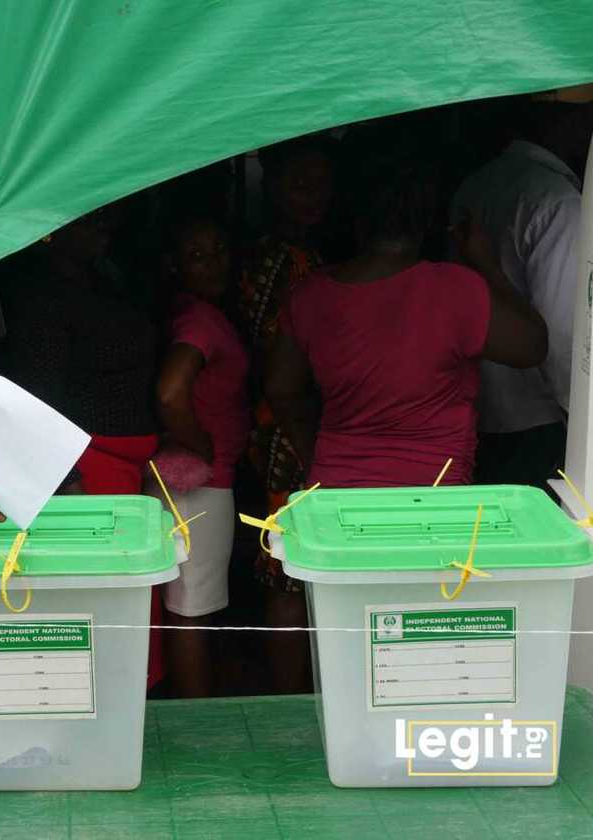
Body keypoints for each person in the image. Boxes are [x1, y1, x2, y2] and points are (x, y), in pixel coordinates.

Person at [267, 133, 549, 494]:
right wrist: (487, 265)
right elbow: (534, 345)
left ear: (352, 214)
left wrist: (320, 462)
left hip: (337, 491)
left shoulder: (310, 295)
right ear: (429, 218)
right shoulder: (455, 289)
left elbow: (281, 389)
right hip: (432, 497)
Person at [0, 208, 166, 687]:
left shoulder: (104, 278)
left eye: (106, 217)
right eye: (88, 219)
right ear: (55, 229)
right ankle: (115, 698)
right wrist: (70, 482)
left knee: (136, 589)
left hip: (128, 468)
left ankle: (135, 698)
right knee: (110, 595)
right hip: (87, 470)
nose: (102, 225)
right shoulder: (42, 297)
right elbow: (37, 396)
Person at [452, 93, 593, 489]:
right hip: (538, 419)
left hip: (477, 406)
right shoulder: (557, 202)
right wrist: (584, 424)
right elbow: (563, 333)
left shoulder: (476, 184)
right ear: (567, 122)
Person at [234, 136, 332, 693]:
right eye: (299, 185)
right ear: (272, 187)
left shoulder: (295, 253)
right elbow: (273, 355)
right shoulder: (283, 259)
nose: (312, 197)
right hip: (285, 427)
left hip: (284, 420)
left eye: (321, 185)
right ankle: (292, 697)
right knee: (286, 568)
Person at [154, 217, 249, 698]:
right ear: (174, 265)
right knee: (192, 609)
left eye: (218, 251)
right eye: (196, 256)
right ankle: (196, 723)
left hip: (194, 482)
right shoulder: (200, 321)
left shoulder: (195, 313)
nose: (212, 264)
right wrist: (202, 445)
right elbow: (171, 393)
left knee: (189, 604)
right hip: (200, 484)